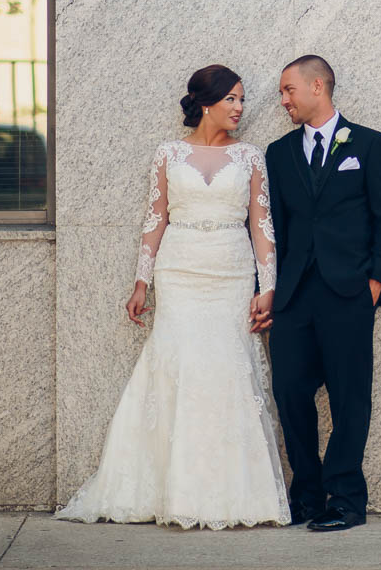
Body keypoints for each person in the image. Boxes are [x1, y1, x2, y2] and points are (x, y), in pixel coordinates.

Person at [55, 65, 290, 529]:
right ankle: (168, 489)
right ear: (207, 103)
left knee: (226, 369)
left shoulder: (250, 157)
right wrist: (142, 282)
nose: (240, 108)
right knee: (175, 366)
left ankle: (232, 495)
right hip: (178, 271)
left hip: (230, 269)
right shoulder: (167, 154)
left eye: (243, 100)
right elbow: (154, 219)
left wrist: (269, 289)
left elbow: (263, 228)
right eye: (232, 100)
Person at [264, 55, 381, 531]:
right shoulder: (278, 154)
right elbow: (274, 227)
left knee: (350, 397)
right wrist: (269, 290)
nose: (283, 100)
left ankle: (345, 499)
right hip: (295, 295)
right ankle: (306, 493)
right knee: (289, 391)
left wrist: (375, 284)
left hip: (349, 293)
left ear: (317, 86)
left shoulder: (368, 144)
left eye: (288, 90)